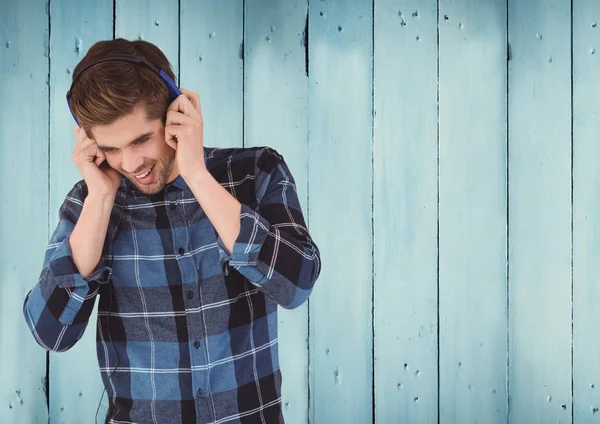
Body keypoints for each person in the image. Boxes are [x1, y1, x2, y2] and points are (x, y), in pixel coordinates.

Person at [22, 38, 321, 424]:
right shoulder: (91, 201)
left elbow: (296, 285)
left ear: (177, 112)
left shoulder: (255, 172)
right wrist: (101, 196)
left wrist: (196, 174)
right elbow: (51, 334)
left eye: (141, 139)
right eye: (112, 148)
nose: (131, 163)